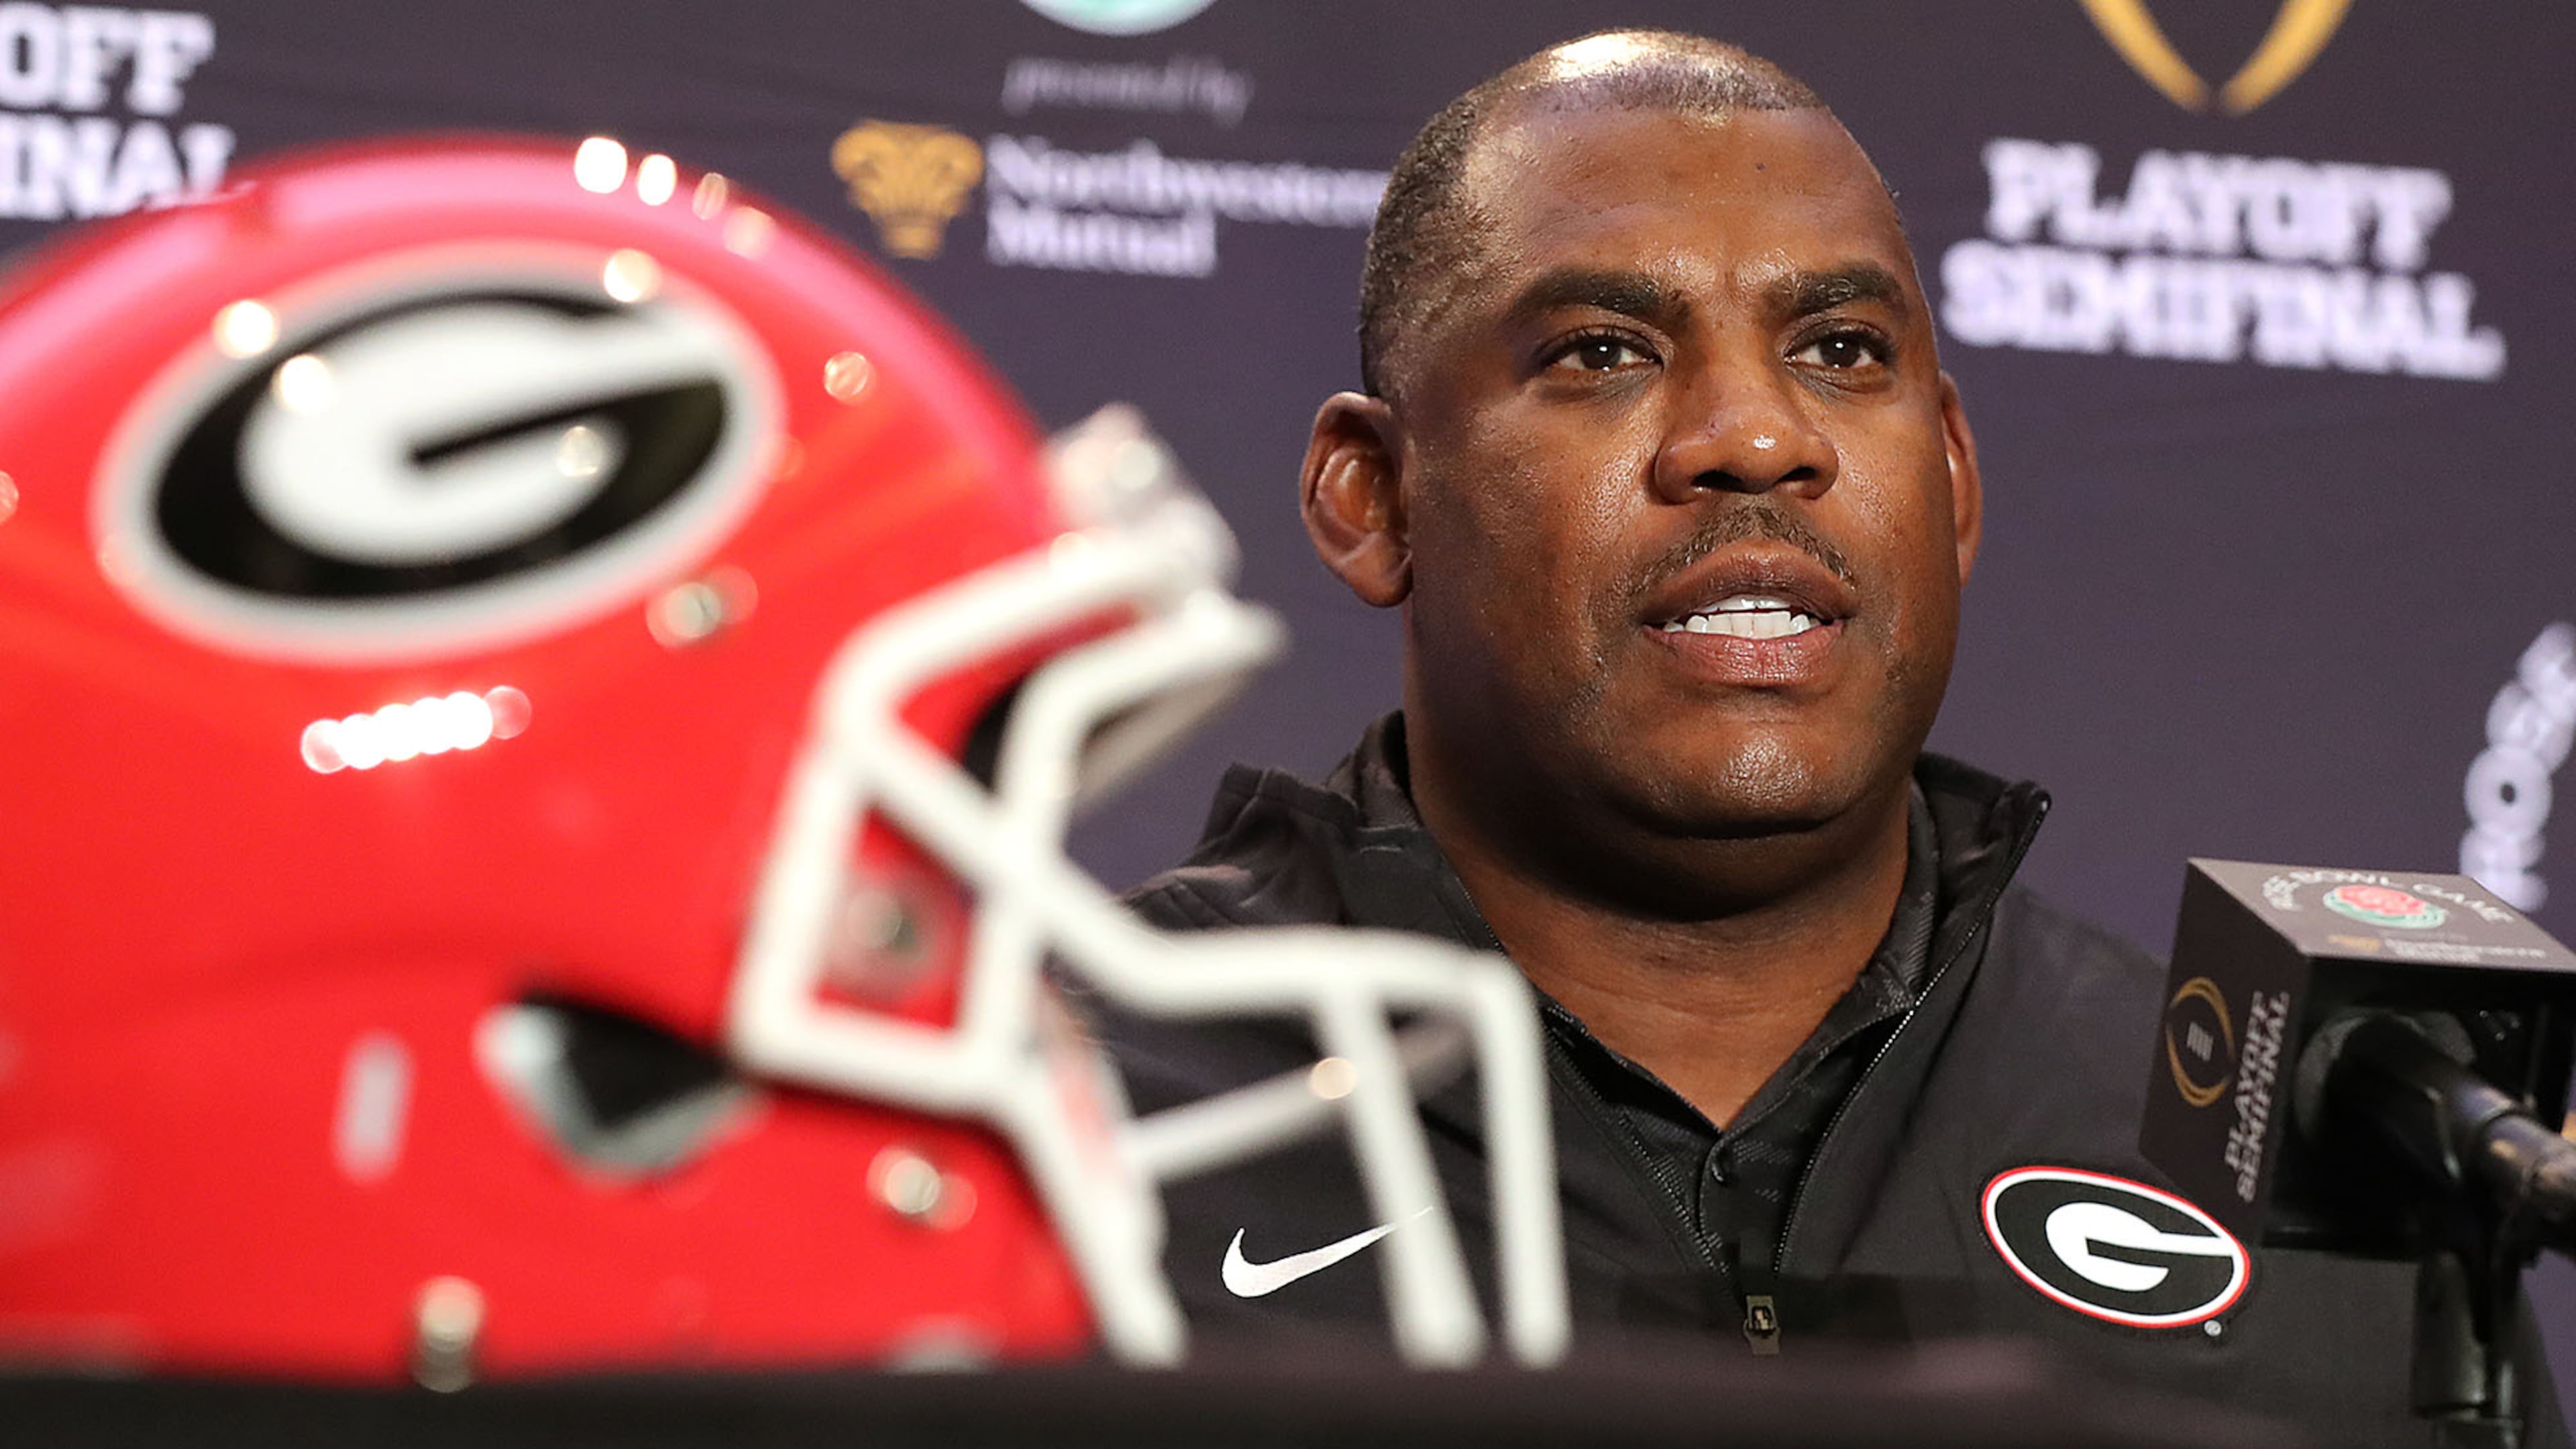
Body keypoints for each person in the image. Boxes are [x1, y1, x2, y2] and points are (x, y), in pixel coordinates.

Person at [1101, 30, 2567, 1445]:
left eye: (1843, 348)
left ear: (1955, 480)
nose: (1755, 436)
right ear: (1375, 495)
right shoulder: (1061, 1115)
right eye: (1604, 351)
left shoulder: (2304, 1166)